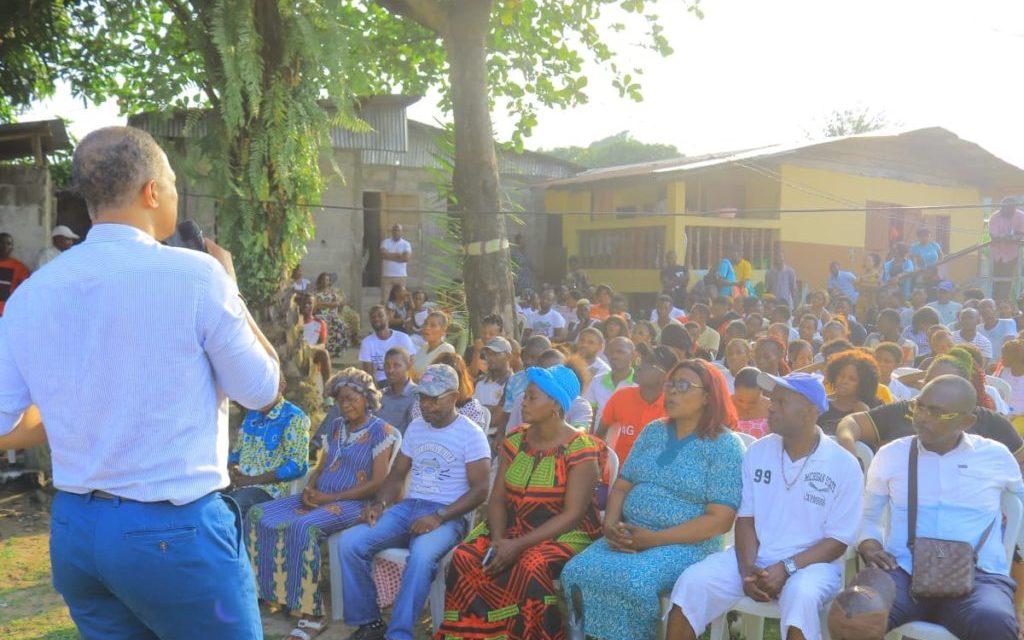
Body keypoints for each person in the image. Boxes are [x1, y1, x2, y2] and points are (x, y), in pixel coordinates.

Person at [0, 126, 280, 636]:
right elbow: (261, 390)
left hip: (77, 532)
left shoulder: (31, 294)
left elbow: (6, 423)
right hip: (173, 534)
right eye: (172, 181)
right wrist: (233, 294)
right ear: (152, 190)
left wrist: (76, 418)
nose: (174, 192)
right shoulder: (198, 276)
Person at [668, 372, 863, 640]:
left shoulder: (844, 464)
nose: (770, 407)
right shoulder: (758, 452)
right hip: (754, 558)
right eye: (772, 400)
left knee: (801, 596)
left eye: (781, 402)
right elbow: (745, 519)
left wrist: (786, 568)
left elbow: (838, 540)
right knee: (692, 583)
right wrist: (748, 570)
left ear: (809, 411)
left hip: (813, 566)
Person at [560, 359, 744, 640]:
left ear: (708, 396)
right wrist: (610, 525)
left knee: (633, 582)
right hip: (630, 534)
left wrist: (653, 539)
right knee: (575, 572)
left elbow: (720, 519)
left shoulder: (725, 445)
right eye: (670, 384)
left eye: (683, 386)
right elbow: (622, 484)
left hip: (688, 544)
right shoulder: (654, 430)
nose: (671, 392)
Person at [436, 365, 604, 640]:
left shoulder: (580, 448)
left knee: (530, 566)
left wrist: (517, 546)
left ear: (555, 404)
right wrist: (499, 542)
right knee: (465, 558)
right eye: (524, 396)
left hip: (562, 532)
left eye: (532, 397)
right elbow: (498, 500)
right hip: (511, 527)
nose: (523, 402)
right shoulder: (515, 440)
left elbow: (573, 515)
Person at [858, 375, 1024, 640]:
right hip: (901, 571)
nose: (922, 417)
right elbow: (869, 516)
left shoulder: (995, 456)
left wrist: (1019, 596)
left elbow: (1021, 507)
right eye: (919, 406)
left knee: (994, 622)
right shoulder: (892, 454)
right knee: (856, 614)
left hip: (978, 577)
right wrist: (870, 544)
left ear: (966, 421)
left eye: (936, 412)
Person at [337, 364, 491, 640]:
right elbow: (397, 476)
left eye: (434, 398)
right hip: (409, 507)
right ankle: (370, 623)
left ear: (454, 397)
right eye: (422, 397)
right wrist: (379, 505)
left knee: (420, 558)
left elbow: (480, 490)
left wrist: (440, 516)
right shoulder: (417, 427)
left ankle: (398, 634)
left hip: (448, 515)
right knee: (350, 543)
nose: (426, 405)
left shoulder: (471, 434)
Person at [248, 370, 397, 638]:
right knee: (257, 513)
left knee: (302, 528)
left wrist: (329, 498)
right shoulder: (337, 426)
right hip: (320, 496)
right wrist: (310, 488)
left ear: (367, 398)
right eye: (341, 400)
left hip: (353, 503)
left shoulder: (380, 432)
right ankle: (270, 595)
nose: (346, 405)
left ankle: (311, 615)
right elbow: (321, 465)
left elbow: (378, 482)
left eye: (351, 399)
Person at [835, 350, 1024, 462]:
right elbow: (851, 424)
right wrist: (851, 457)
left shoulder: (988, 422)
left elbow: (1019, 458)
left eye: (944, 386)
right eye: (929, 383)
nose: (934, 392)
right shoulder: (905, 409)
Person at [227, 380, 310, 517]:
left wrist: (253, 480)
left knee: (229, 511)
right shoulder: (252, 414)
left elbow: (298, 465)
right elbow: (236, 454)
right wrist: (232, 470)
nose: (259, 393)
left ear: (281, 386)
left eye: (265, 387)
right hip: (240, 484)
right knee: (205, 502)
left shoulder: (294, 417)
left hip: (269, 490)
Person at [596, 343, 678, 464]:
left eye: (650, 364)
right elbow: (598, 437)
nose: (640, 367)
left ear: (667, 375)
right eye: (641, 361)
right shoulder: (621, 397)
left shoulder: (674, 408)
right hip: (615, 475)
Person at [412, 352, 490, 432]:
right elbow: (418, 431)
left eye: (434, 398)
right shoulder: (421, 403)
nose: (425, 404)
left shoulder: (472, 409)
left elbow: (471, 439)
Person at [494, 335, 551, 435]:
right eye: (525, 355)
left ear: (545, 358)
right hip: (515, 437)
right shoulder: (515, 379)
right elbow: (507, 412)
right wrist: (500, 435)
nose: (528, 361)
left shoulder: (552, 383)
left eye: (534, 358)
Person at [819, 349, 880, 434]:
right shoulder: (821, 404)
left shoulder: (874, 405)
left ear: (863, 383)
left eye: (852, 379)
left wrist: (865, 416)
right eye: (841, 375)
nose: (844, 381)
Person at [584, 336, 637, 429]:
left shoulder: (639, 384)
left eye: (620, 352)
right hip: (599, 440)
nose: (614, 356)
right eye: (611, 352)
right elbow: (590, 414)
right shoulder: (597, 381)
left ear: (633, 356)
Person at [359, 305, 416, 385]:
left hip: (402, 381)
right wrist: (378, 393)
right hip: (380, 383)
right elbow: (368, 375)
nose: (376, 319)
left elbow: (412, 364)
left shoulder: (403, 338)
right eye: (373, 317)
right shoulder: (367, 342)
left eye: (380, 315)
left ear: (388, 317)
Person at [989, 197, 1024, 302]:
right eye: (1006, 208)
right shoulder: (994, 217)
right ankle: (996, 304)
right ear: (1002, 208)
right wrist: (1010, 237)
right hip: (997, 255)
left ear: (1014, 208)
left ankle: (1007, 305)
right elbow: (993, 236)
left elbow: (1021, 234)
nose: (1009, 210)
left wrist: (1009, 238)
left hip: (1013, 255)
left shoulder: (1020, 216)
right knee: (997, 283)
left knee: (1009, 283)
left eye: (1011, 208)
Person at [378, 347, 418, 435]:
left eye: (396, 365)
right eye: (387, 365)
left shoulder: (418, 397)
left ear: (408, 366)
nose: (390, 370)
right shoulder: (380, 396)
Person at [474, 336, 513, 422]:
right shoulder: (479, 382)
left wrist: (481, 410)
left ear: (508, 357)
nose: (491, 358)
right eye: (488, 354)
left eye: (496, 354)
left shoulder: (513, 383)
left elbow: (498, 418)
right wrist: (490, 409)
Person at [313, 272, 349, 356]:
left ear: (329, 282)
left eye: (327, 280)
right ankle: (323, 349)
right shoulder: (315, 292)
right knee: (323, 322)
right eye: (323, 279)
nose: (325, 281)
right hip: (318, 315)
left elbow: (336, 304)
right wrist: (328, 305)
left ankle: (337, 350)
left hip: (331, 315)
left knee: (339, 323)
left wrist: (322, 304)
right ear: (320, 280)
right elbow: (314, 305)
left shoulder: (333, 292)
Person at [412, 310, 456, 378]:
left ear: (443, 330)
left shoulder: (447, 349)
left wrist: (419, 381)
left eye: (433, 325)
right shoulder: (423, 348)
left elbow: (438, 378)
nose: (427, 327)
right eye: (425, 323)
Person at [731, 367, 771, 439]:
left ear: (762, 390)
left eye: (753, 403)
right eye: (740, 400)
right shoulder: (724, 406)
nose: (745, 407)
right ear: (734, 389)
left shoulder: (772, 409)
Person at [980, 297, 1017, 366]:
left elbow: (1008, 346)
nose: (987, 309)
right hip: (983, 368)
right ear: (979, 311)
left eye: (990, 306)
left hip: (1003, 366)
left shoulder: (1008, 323)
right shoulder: (977, 329)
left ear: (996, 309)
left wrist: (997, 365)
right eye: (983, 307)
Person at [380, 223, 412, 303]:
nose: (396, 232)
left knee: (402, 298)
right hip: (387, 275)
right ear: (392, 231)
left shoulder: (406, 244)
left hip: (401, 275)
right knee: (384, 299)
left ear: (402, 232)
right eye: (394, 230)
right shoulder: (386, 242)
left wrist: (389, 256)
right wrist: (398, 255)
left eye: (398, 230)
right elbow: (383, 255)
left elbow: (406, 258)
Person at [0, 232, 29, 316]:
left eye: (8, 244)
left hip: (7, 313)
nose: (5, 247)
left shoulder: (20, 268)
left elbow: (26, 292)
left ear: (12, 247)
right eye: (1, 243)